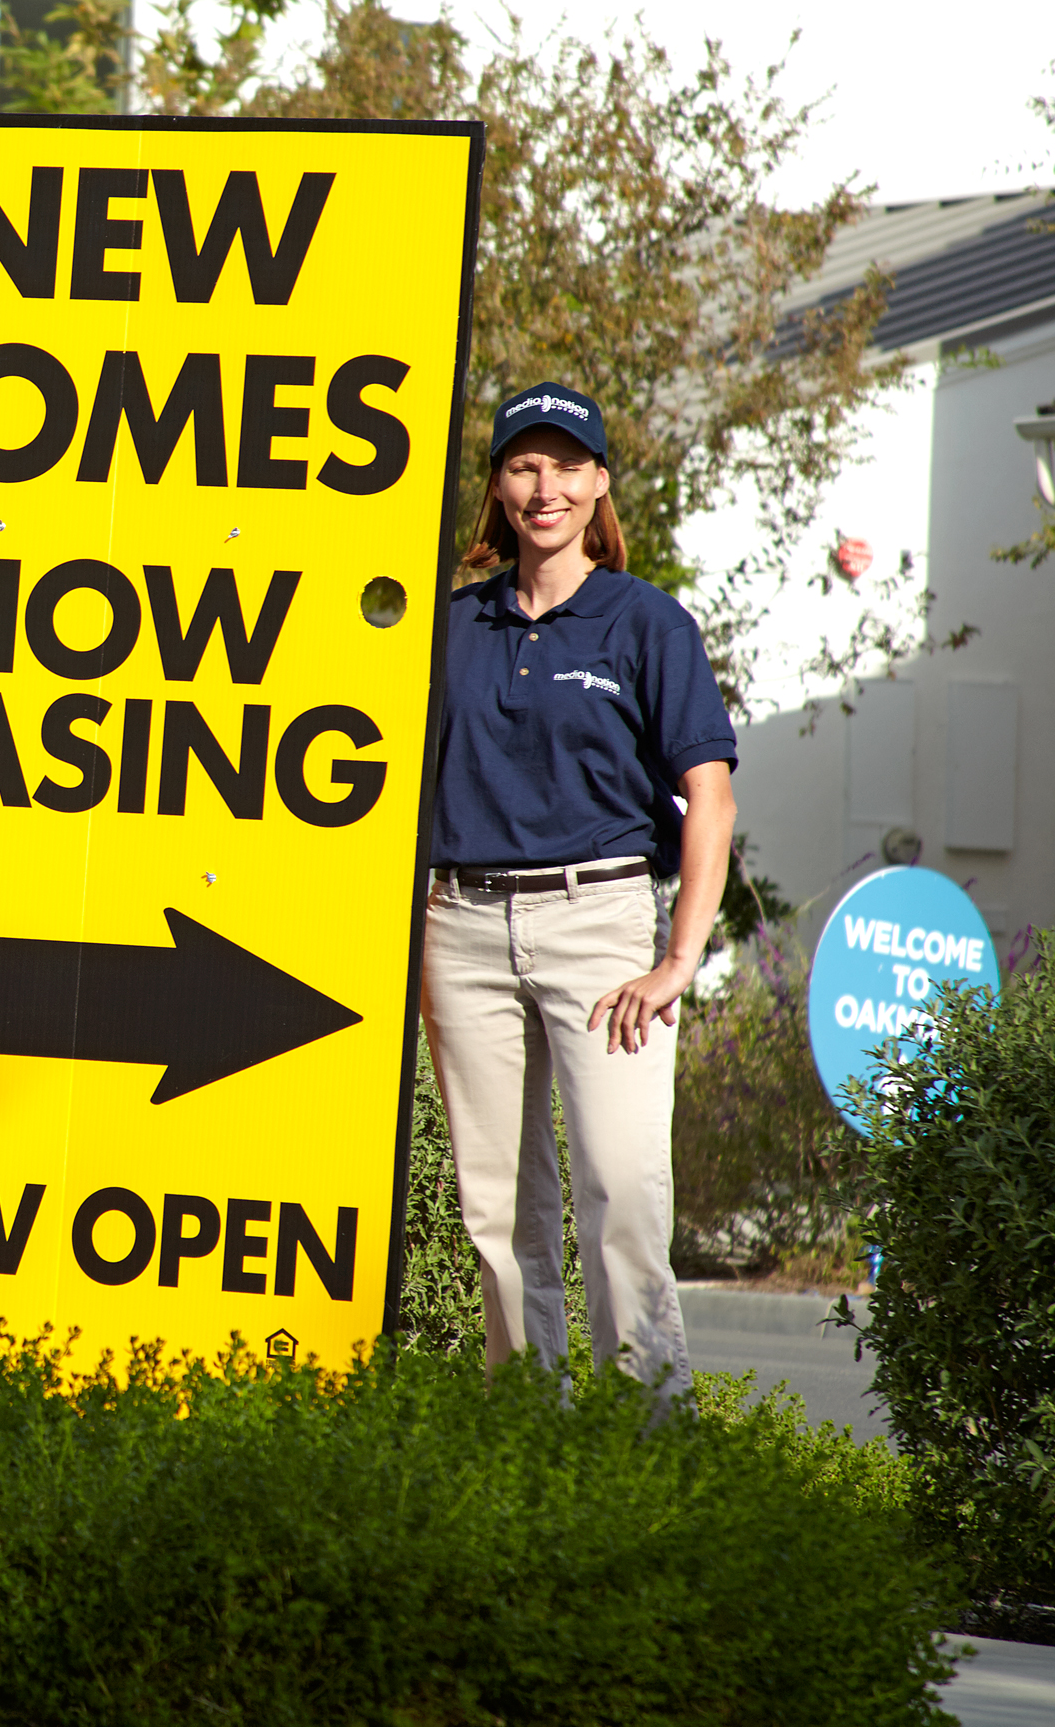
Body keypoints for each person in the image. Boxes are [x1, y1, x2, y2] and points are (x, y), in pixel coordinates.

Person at [420, 382, 735, 1392]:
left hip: (600, 923)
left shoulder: (647, 624)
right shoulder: (451, 625)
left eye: (566, 466)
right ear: (498, 485)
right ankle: (527, 1428)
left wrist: (677, 959)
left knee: (620, 1191)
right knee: (497, 1209)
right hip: (460, 927)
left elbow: (710, 797)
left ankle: (647, 1433)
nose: (544, 487)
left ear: (599, 483)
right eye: (523, 465)